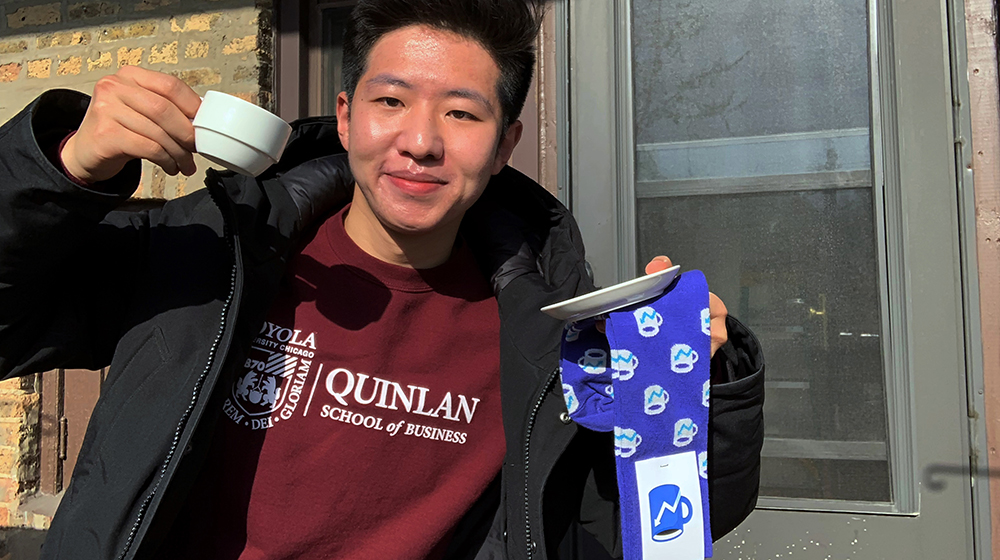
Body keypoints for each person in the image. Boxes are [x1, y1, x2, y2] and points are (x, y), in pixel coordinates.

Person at [0, 0, 764, 558]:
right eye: (391, 101)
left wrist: (700, 384)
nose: (420, 142)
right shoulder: (208, 255)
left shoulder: (545, 338)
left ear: (505, 146)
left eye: (463, 115)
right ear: (345, 115)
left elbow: (627, 531)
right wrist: (59, 171)